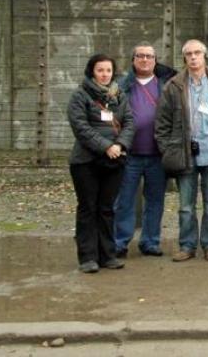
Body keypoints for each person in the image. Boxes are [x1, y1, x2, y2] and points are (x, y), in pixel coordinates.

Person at [156, 39, 208, 263]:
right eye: (189, 54)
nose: (193, 57)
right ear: (184, 58)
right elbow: (161, 123)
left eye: (197, 53)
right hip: (184, 155)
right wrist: (167, 148)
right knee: (185, 206)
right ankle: (187, 244)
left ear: (205, 56)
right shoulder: (173, 86)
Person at [67, 53, 135, 273]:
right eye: (100, 70)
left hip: (114, 160)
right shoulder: (80, 95)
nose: (105, 74)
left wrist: (121, 145)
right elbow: (81, 127)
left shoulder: (119, 95)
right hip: (86, 162)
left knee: (107, 209)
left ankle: (107, 254)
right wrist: (106, 146)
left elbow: (129, 122)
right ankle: (87, 257)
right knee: (88, 208)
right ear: (92, 72)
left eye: (108, 70)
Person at [114, 43, 176, 258]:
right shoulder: (121, 85)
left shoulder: (166, 85)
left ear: (155, 60)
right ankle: (120, 242)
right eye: (140, 56)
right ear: (133, 60)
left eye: (149, 56)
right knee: (125, 200)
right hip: (129, 153)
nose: (145, 60)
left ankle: (150, 241)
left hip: (157, 154)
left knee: (155, 200)